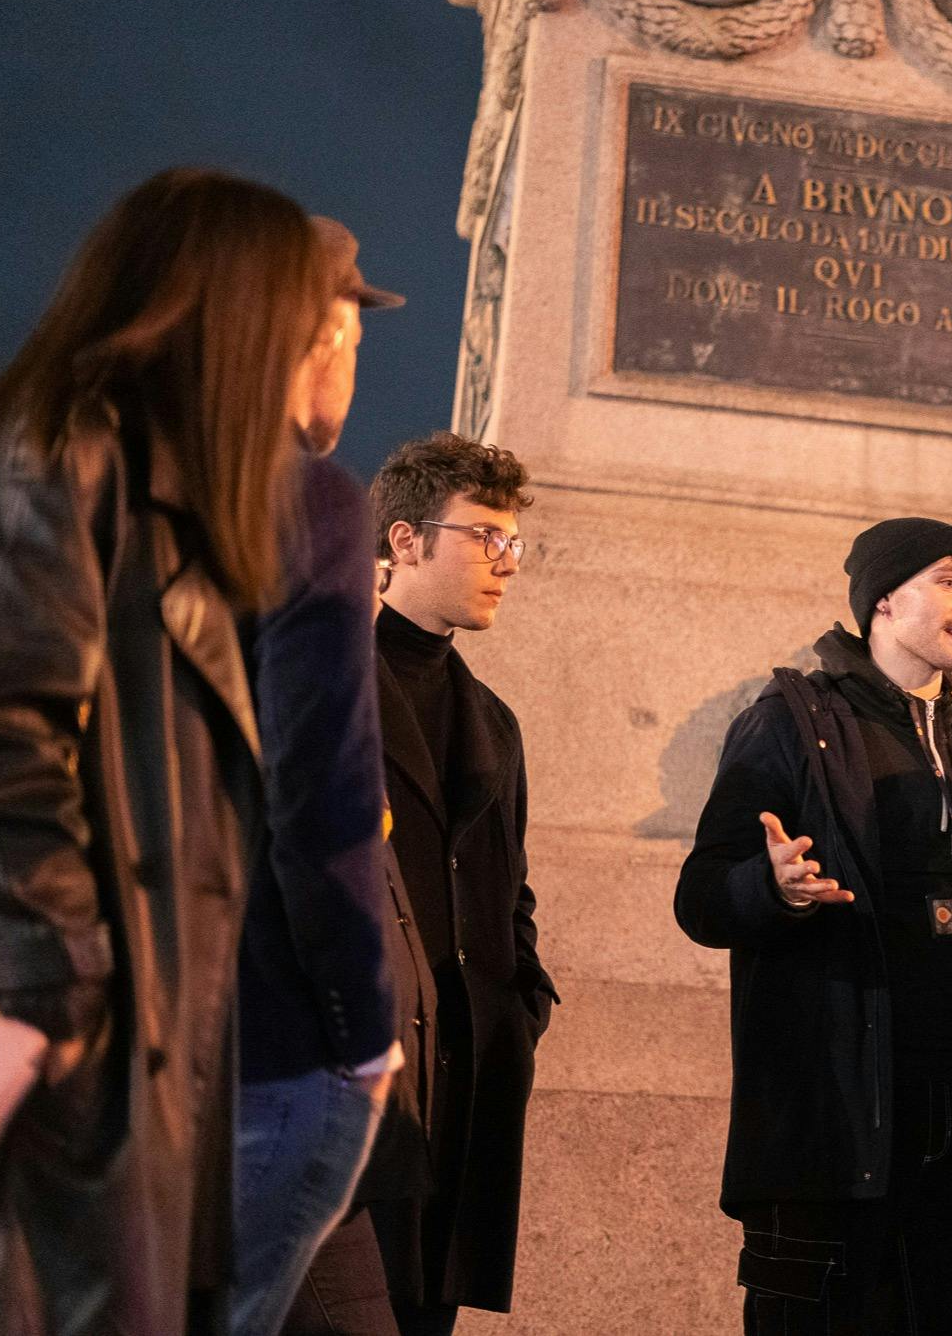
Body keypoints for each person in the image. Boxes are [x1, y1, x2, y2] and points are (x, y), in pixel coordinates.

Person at [0, 169, 326, 1335]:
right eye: (299, 315)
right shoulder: (60, 452)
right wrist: (67, 996)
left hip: (130, 1045)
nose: (311, 348)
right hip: (61, 1048)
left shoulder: (167, 494)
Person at [675, 516, 952, 1335]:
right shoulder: (793, 720)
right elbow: (701, 896)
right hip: (831, 1143)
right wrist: (772, 887)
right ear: (883, 599)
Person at [229, 216, 407, 1336]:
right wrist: (363, 1033)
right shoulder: (304, 499)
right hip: (265, 1034)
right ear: (319, 334)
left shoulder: (43, 480)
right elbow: (322, 795)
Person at [364, 435, 556, 1336]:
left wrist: (522, 1002)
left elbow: (509, 890)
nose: (505, 564)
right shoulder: (329, 684)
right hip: (362, 1085)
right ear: (405, 540)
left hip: (466, 1096)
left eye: (513, 543)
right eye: (485, 537)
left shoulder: (496, 722)